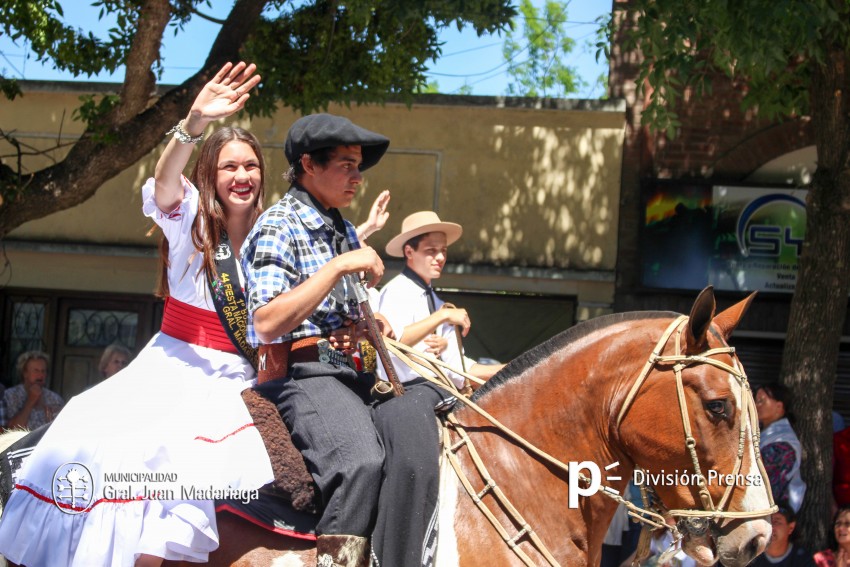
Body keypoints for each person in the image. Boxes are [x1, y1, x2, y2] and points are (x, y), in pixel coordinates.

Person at [0, 62, 276, 567]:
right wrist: (193, 122)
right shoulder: (191, 217)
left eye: (251, 166)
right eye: (230, 166)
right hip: (174, 362)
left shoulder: (274, 237)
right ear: (210, 174)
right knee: (93, 430)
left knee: (194, 462)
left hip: (235, 374)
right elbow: (165, 179)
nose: (242, 176)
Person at [241, 112, 391, 567]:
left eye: (358, 166)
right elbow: (265, 322)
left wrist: (370, 324)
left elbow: (341, 311)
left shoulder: (343, 229)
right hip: (301, 377)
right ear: (308, 164)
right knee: (360, 461)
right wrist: (337, 267)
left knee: (427, 424)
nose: (357, 178)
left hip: (353, 374)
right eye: (346, 165)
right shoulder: (278, 223)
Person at [370, 211, 505, 567]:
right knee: (415, 465)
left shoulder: (437, 300)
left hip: (438, 396)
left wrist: (513, 370)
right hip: (403, 399)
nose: (440, 257)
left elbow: (459, 371)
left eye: (443, 250)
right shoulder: (397, 291)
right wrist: (442, 318)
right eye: (431, 250)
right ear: (409, 252)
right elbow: (391, 343)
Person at [756, 382, 806, 512]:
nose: (756, 405)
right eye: (756, 400)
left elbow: (762, 480)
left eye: (762, 401)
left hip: (774, 514)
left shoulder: (785, 443)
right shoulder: (762, 433)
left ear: (779, 406)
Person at [0, 350, 64, 430]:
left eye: (43, 371)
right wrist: (30, 401)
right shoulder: (10, 396)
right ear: (25, 373)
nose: (41, 375)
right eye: (36, 370)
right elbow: (12, 430)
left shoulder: (55, 399)